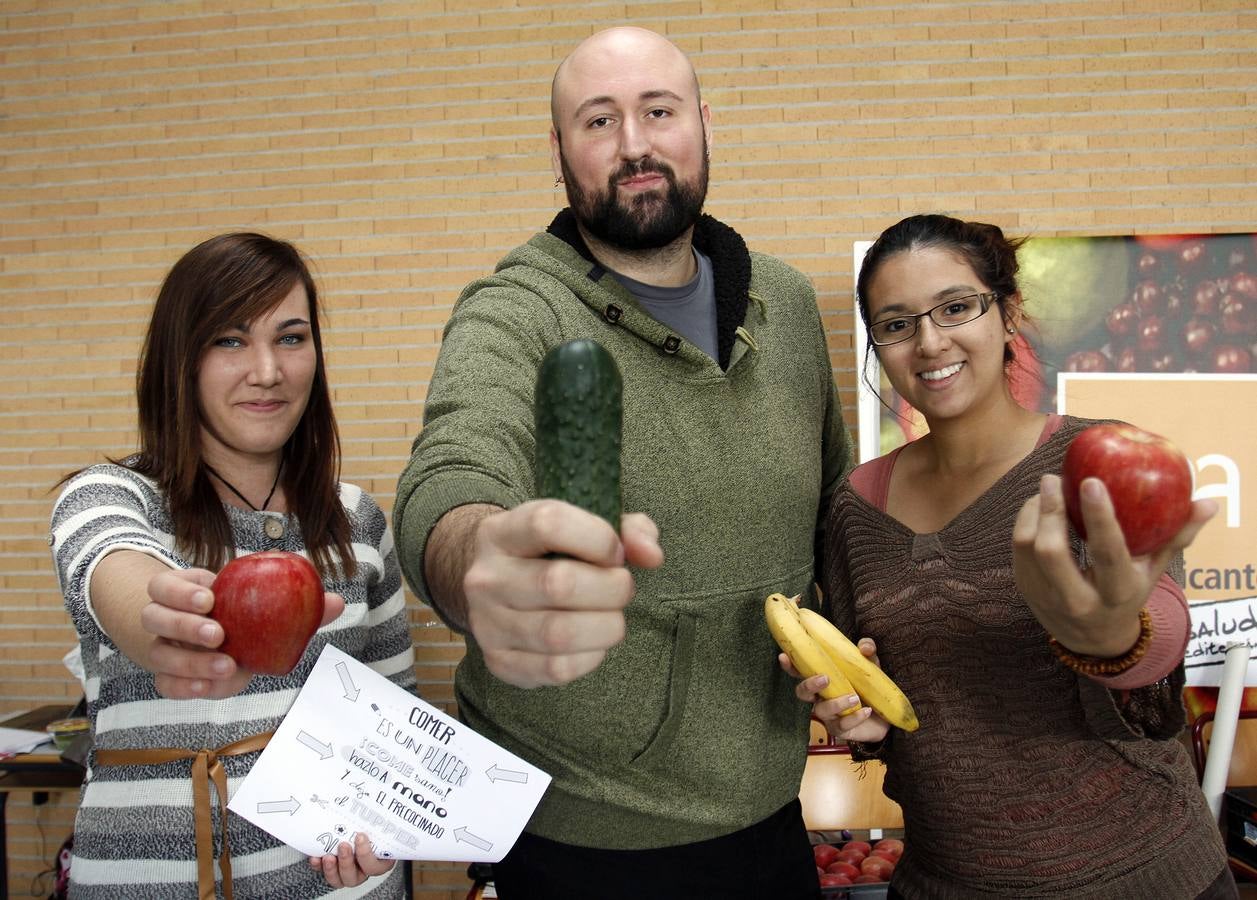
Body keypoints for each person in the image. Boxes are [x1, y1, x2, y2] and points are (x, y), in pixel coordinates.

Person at [393, 26, 852, 900]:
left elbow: (832, 512)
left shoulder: (785, 305)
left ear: (703, 124)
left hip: (768, 812)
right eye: (598, 121)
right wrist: (474, 562)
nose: (634, 144)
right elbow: (453, 469)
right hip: (576, 836)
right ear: (559, 152)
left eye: (657, 111)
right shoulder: (515, 311)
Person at [794, 213, 1234, 898]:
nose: (929, 340)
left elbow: (1157, 642)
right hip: (944, 883)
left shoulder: (1097, 457)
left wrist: (1113, 636)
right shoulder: (853, 510)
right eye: (896, 323)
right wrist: (864, 725)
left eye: (955, 307)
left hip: (1145, 879)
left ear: (1007, 315)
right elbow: (887, 702)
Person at [49, 233, 415, 899]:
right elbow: (111, 566)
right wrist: (170, 627)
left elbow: (394, 723)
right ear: (178, 359)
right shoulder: (112, 496)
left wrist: (385, 833)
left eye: (292, 338)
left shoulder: (356, 521)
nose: (267, 371)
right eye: (229, 340)